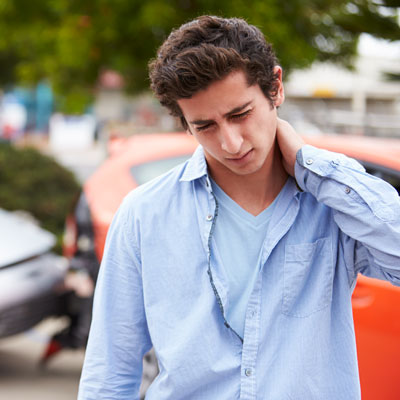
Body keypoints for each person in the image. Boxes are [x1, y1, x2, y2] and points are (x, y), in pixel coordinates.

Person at [78, 16, 400, 400]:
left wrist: (311, 165)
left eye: (239, 114)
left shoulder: (330, 205)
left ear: (275, 87)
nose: (230, 143)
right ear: (185, 125)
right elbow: (110, 372)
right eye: (205, 126)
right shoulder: (143, 215)